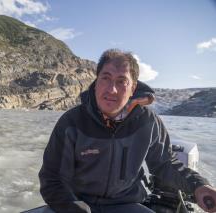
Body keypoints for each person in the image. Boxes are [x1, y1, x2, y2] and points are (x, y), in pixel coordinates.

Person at [38, 49, 216, 213]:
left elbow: (165, 164)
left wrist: (198, 185)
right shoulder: (71, 122)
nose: (111, 89)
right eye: (105, 78)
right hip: (77, 204)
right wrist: (75, 209)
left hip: (126, 204)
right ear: (96, 81)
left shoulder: (148, 121)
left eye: (121, 81)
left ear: (133, 88)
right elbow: (52, 179)